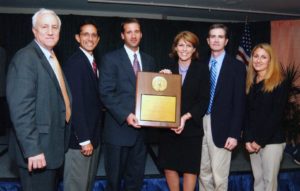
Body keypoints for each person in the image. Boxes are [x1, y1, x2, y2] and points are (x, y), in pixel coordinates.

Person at [6, 8, 71, 191]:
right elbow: (21, 110)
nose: (50, 31)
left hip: (52, 148)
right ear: (34, 31)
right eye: (44, 27)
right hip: (37, 152)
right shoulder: (26, 58)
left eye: (54, 27)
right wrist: (33, 149)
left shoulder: (51, 57)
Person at [99, 18, 156, 191]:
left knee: (135, 181)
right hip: (118, 131)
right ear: (122, 35)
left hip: (142, 134)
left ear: (141, 34)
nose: (133, 35)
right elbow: (105, 93)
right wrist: (126, 115)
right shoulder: (110, 59)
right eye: (129, 32)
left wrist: (165, 79)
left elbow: (153, 93)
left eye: (136, 31)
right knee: (114, 181)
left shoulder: (149, 60)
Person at [158, 31, 209, 191]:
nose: (184, 49)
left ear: (194, 49)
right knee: (169, 166)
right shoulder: (167, 69)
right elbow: (159, 101)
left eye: (189, 46)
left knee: (190, 168)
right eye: (181, 45)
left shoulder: (202, 70)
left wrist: (185, 118)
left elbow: (203, 101)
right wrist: (159, 80)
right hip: (168, 128)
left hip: (191, 127)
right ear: (175, 48)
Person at [199, 23, 246, 191]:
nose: (216, 40)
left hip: (222, 127)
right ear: (208, 40)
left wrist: (234, 134)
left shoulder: (237, 67)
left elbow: (239, 103)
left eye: (220, 37)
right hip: (199, 123)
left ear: (226, 41)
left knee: (219, 177)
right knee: (203, 173)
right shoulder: (200, 63)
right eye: (213, 36)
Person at [62, 19, 103, 191]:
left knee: (86, 185)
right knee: (76, 186)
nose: (90, 38)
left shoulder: (92, 62)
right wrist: (84, 140)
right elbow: (75, 104)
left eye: (94, 35)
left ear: (98, 39)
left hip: (93, 137)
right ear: (77, 38)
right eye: (85, 34)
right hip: (80, 140)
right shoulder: (75, 63)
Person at [243, 43, 288, 191]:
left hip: (272, 141)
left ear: (270, 60)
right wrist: (248, 139)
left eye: (263, 57)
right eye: (256, 56)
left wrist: (259, 141)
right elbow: (247, 114)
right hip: (253, 141)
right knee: (258, 182)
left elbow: (276, 116)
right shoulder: (250, 82)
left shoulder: (279, 82)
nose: (258, 60)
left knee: (269, 183)